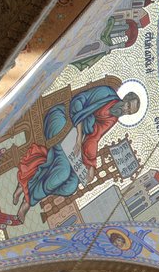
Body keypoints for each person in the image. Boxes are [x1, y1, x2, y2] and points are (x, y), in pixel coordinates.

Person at [13, 85, 140, 221]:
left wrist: (91, 166)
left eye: (129, 112)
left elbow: (94, 138)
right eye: (128, 106)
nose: (125, 110)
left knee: (71, 185)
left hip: (74, 139)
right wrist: (79, 133)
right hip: (63, 120)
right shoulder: (106, 92)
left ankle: (27, 185)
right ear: (125, 98)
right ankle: (28, 201)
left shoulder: (112, 119)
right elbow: (77, 102)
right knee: (62, 172)